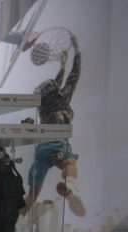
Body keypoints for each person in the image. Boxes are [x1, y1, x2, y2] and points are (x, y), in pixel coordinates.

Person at [23, 29, 85, 218]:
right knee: (70, 163)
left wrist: (62, 66)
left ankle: (17, 218)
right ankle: (69, 184)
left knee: (33, 193)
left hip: (42, 147)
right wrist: (77, 51)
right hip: (58, 142)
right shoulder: (63, 97)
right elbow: (75, 76)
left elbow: (57, 82)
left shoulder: (43, 105)